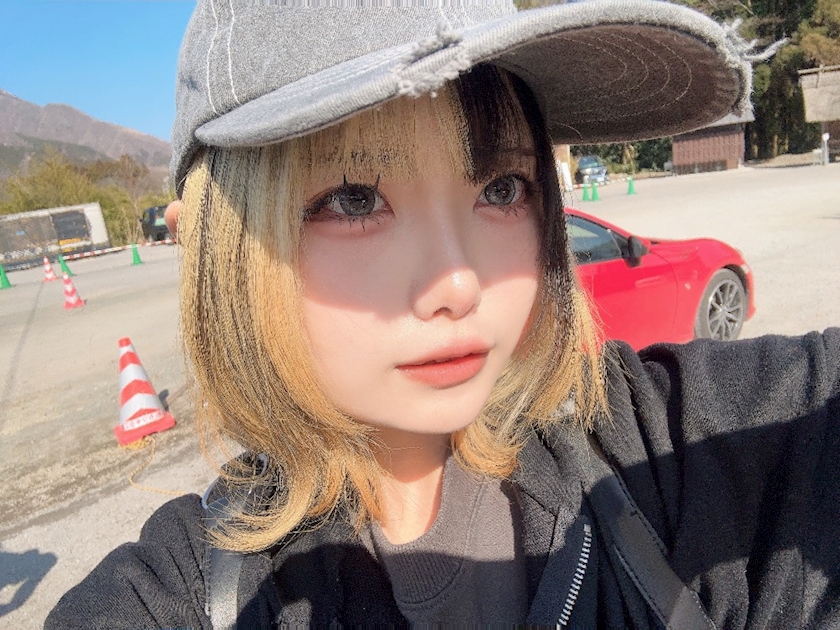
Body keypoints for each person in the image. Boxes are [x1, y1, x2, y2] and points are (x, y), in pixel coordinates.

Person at [48, 0, 840, 628]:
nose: (459, 282)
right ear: (223, 249)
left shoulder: (652, 448)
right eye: (353, 198)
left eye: (501, 188)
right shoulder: (189, 592)